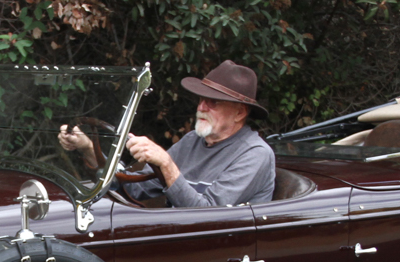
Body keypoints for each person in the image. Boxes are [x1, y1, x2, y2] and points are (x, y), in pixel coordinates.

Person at [59, 60, 276, 207]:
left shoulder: (255, 154)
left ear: (239, 112)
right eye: (200, 99)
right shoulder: (192, 141)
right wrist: (88, 148)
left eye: (213, 102)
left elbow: (209, 216)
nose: (201, 107)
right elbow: (134, 189)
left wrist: (166, 164)